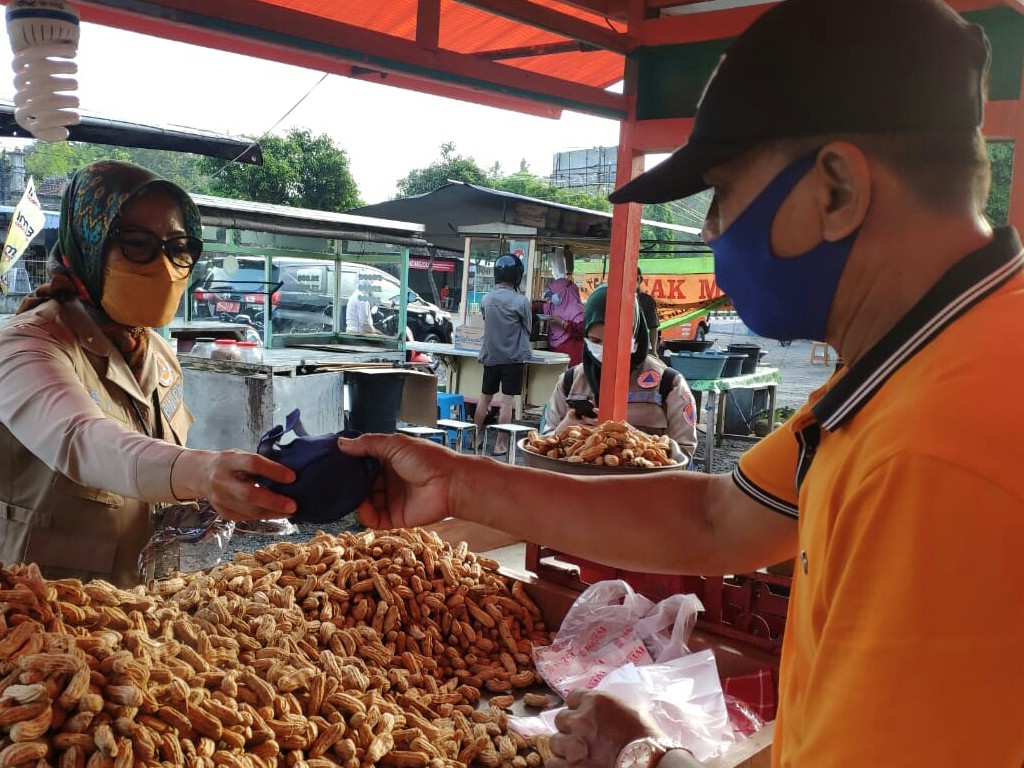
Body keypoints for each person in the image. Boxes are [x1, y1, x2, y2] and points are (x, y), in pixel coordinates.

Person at [341, 0, 1024, 765]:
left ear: (836, 189)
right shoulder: (913, 368)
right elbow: (714, 518)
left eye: (725, 196)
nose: (708, 234)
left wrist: (648, 763)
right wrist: (460, 483)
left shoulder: (941, 452)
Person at [0, 161, 296, 588]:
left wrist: (207, 501)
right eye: (137, 244)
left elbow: (152, 462)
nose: (164, 266)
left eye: (178, 247)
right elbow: (82, 439)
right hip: (41, 607)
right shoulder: (28, 345)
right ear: (89, 241)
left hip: (135, 611)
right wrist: (201, 471)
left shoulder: (157, 354)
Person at [542, 284, 698, 462]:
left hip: (642, 487)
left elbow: (684, 456)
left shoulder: (668, 384)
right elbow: (542, 447)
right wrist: (564, 429)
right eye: (596, 341)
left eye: (616, 341)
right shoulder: (569, 382)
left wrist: (631, 436)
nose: (606, 350)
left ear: (635, 335)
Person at [474, 253, 532, 456]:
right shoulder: (521, 301)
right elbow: (528, 327)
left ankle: (476, 439)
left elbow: (485, 319)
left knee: (484, 398)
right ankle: (500, 444)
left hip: (490, 356)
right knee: (507, 402)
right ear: (517, 275)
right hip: (513, 358)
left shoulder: (486, 299)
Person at [542, 274, 585, 366]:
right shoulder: (554, 307)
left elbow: (583, 331)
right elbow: (541, 307)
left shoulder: (577, 309)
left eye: (554, 293)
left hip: (573, 360)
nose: (552, 296)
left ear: (564, 293)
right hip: (557, 359)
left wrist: (562, 323)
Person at [635, 268, 659, 352]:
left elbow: (653, 327)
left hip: (640, 348)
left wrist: (654, 350)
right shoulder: (615, 299)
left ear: (640, 280)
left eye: (636, 279)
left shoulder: (647, 301)